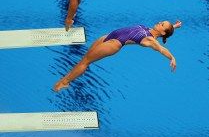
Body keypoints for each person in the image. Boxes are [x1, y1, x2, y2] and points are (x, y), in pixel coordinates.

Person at [54, 20, 182, 92]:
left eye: (162, 25)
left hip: (114, 43)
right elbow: (165, 33)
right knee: (84, 59)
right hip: (109, 36)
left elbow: (161, 49)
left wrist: (172, 57)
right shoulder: (150, 29)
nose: (160, 22)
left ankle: (63, 83)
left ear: (162, 32)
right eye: (162, 22)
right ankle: (65, 79)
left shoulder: (150, 39)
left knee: (85, 62)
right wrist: (174, 26)